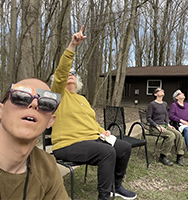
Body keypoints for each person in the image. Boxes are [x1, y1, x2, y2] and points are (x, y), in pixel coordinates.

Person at [51, 25, 137, 200]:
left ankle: (116, 186)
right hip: (67, 144)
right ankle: (103, 196)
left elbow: (92, 122)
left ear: (78, 79)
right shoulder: (58, 95)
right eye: (68, 72)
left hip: (91, 139)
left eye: (73, 72)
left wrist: (101, 131)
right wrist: (72, 46)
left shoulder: (82, 99)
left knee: (124, 147)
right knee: (107, 152)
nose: (70, 73)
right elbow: (61, 72)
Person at [0, 79, 71, 200]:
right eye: (21, 97)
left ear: (50, 121)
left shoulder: (47, 167)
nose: (34, 104)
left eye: (47, 103)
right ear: (1, 110)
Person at [146, 88, 184, 166]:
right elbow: (148, 118)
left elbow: (165, 116)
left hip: (164, 126)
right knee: (171, 135)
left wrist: (168, 125)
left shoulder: (164, 104)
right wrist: (157, 126)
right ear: (155, 94)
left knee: (178, 134)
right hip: (154, 128)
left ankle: (179, 156)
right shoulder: (152, 104)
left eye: (162, 90)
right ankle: (163, 156)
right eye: (159, 90)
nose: (162, 90)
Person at [169, 89, 188, 161]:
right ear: (176, 97)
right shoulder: (174, 105)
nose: (182, 93)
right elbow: (171, 116)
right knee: (187, 130)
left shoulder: (187, 105)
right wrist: (181, 120)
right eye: (180, 93)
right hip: (181, 126)